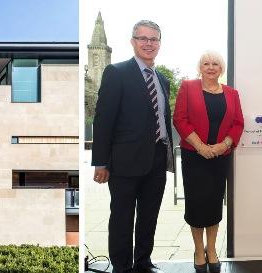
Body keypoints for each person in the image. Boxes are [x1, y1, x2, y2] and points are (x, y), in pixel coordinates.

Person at [91, 20, 174, 273]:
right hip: (125, 162)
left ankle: (143, 262)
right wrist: (101, 162)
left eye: (154, 39)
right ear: (133, 41)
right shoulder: (117, 73)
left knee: (149, 216)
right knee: (122, 218)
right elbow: (103, 119)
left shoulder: (161, 79)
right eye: (143, 38)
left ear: (159, 43)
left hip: (157, 160)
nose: (148, 43)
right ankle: (122, 266)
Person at [173, 51, 243, 273]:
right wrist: (200, 147)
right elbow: (180, 119)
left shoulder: (232, 93)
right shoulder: (188, 87)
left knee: (213, 203)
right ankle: (198, 250)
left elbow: (238, 123)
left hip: (219, 157)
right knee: (196, 204)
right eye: (206, 63)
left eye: (215, 64)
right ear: (200, 67)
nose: (211, 67)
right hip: (194, 157)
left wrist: (223, 145)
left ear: (221, 68)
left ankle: (211, 249)